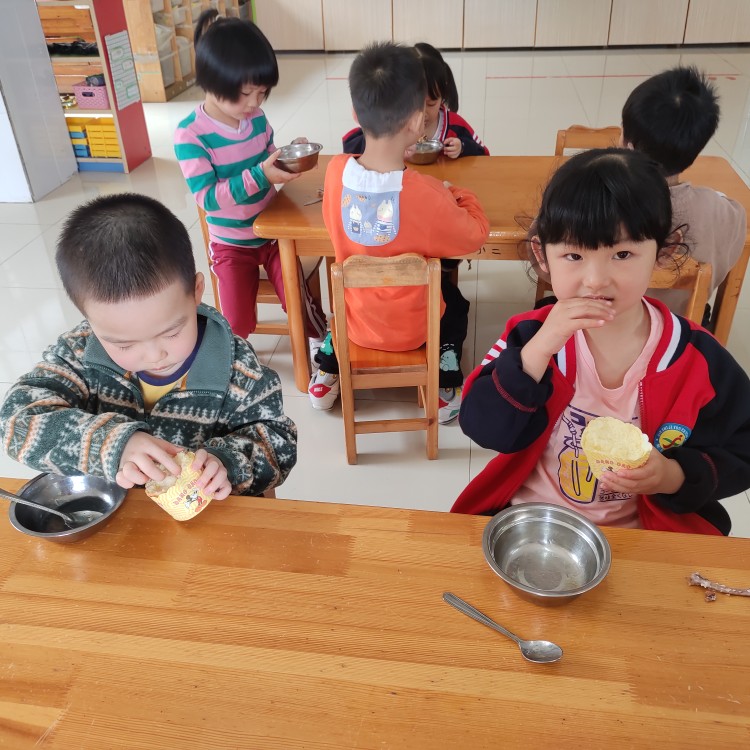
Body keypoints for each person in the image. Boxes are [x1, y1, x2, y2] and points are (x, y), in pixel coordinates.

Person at [452, 149, 750, 535]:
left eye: (622, 254)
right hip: (532, 519)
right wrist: (538, 351)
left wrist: (673, 475)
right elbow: (482, 427)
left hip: (642, 533)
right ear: (542, 255)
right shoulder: (529, 336)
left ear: (665, 251)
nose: (595, 279)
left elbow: (742, 447)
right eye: (573, 255)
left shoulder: (696, 358)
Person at [0, 193, 298, 499]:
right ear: (90, 320)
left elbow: (279, 444)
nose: (155, 356)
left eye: (172, 332)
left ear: (196, 291)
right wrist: (112, 444)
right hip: (120, 516)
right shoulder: (79, 354)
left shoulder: (239, 371)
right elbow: (14, 422)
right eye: (124, 345)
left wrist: (228, 463)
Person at [310, 42, 489, 424]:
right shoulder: (426, 196)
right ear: (418, 121)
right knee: (455, 304)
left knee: (342, 303)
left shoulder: (334, 173)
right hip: (414, 331)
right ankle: (444, 380)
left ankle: (330, 362)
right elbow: (476, 234)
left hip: (356, 323)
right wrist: (457, 194)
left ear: (356, 113)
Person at [174, 9, 327, 355]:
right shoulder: (191, 134)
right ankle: (235, 359)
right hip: (230, 244)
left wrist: (286, 156)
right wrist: (261, 175)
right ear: (213, 83)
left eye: (262, 93)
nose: (255, 103)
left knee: (297, 299)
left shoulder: (256, 119)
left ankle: (322, 342)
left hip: (272, 233)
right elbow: (207, 198)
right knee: (237, 322)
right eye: (245, 93)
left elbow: (267, 156)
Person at [621, 65, 746, 321]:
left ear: (628, 146)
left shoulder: (596, 201)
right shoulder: (728, 213)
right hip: (685, 326)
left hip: (609, 326)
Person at [342, 41, 489, 158]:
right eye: (414, 104)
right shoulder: (392, 125)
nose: (422, 114)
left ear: (442, 95)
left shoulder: (456, 126)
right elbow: (353, 147)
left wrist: (462, 147)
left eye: (430, 104)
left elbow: (484, 154)